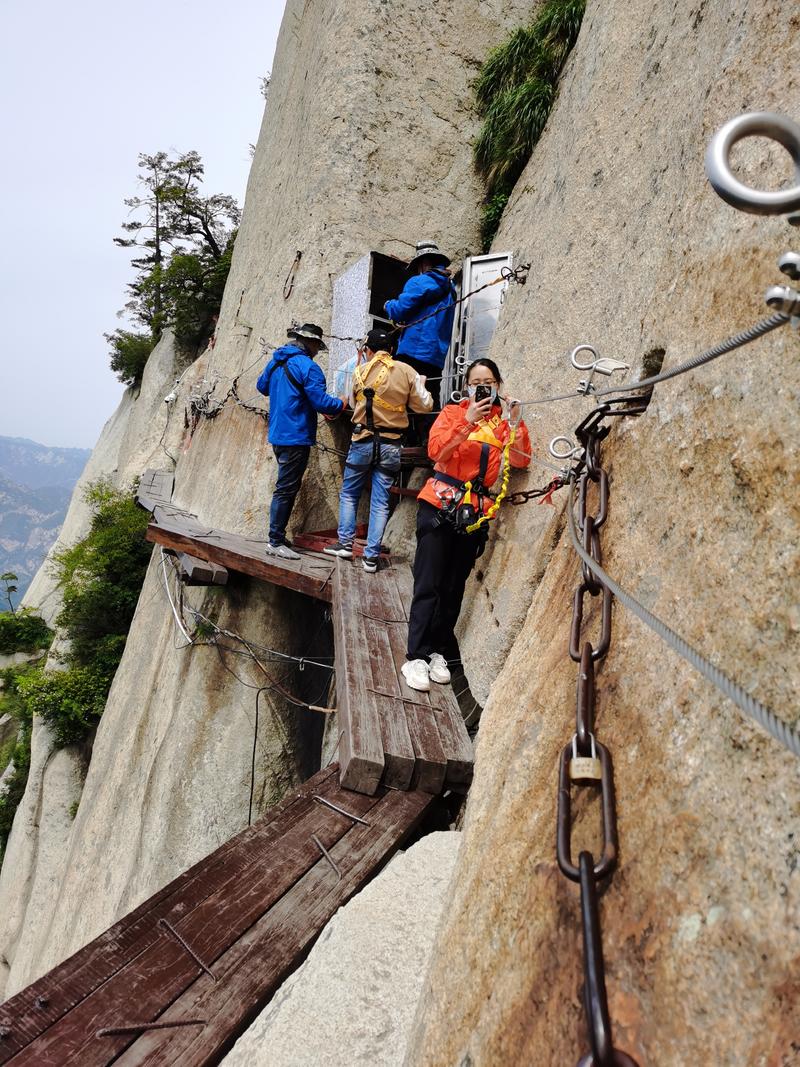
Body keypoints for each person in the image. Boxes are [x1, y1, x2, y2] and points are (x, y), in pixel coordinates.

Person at [401, 357, 532, 693]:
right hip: (439, 505)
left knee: (453, 587)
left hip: (474, 513)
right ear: (468, 386)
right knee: (428, 581)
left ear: (499, 386)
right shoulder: (454, 413)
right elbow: (435, 450)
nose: (482, 387)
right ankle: (415, 655)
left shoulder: (504, 424)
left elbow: (520, 461)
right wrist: (468, 421)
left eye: (488, 382)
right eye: (476, 382)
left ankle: (437, 651)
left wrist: (516, 425)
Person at [324, 328, 433, 573]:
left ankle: (344, 544)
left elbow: (352, 404)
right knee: (381, 502)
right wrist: (422, 386)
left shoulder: (359, 372)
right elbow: (424, 406)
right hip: (391, 444)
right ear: (392, 350)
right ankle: (371, 558)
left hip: (362, 440)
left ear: (368, 351)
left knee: (350, 493)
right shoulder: (406, 371)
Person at [256, 322, 344, 559]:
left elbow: (261, 386)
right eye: (317, 345)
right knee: (286, 489)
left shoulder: (276, 361)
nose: (317, 350)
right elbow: (322, 403)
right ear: (311, 343)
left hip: (278, 434)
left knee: (285, 487)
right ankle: (275, 541)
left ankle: (277, 536)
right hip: (296, 435)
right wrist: (342, 402)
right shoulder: (308, 367)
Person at [384, 240, 457, 413]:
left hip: (413, 352)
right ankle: (430, 439)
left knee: (403, 400)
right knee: (430, 400)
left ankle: (406, 439)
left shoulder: (419, 282)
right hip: (436, 356)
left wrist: (388, 305)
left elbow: (400, 310)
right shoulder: (451, 288)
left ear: (423, 263)